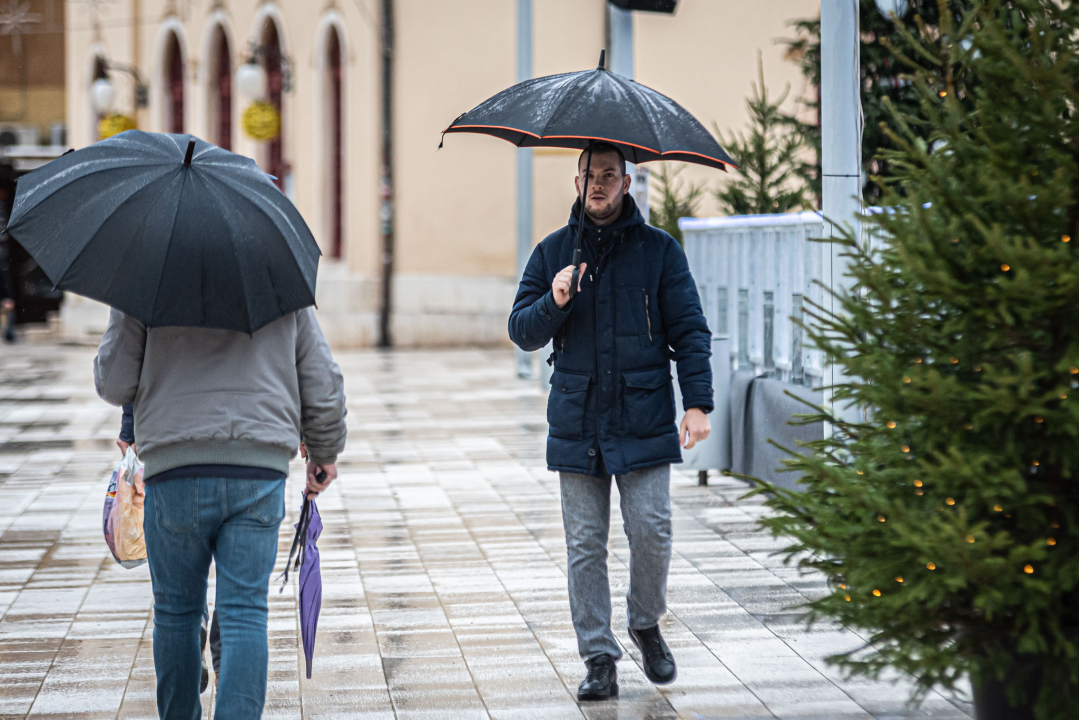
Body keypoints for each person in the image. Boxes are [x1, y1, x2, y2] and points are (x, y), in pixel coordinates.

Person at [508, 143, 713, 701]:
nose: (598, 185)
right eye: (589, 176)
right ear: (576, 184)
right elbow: (521, 329)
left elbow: (690, 330)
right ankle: (599, 657)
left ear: (626, 183)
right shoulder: (553, 252)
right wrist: (555, 300)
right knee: (584, 544)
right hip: (577, 417)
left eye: (608, 176)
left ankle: (645, 622)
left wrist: (697, 403)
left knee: (652, 529)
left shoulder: (659, 252)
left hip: (643, 413)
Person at [95, 307, 347, 719]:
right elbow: (323, 380)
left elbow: (112, 381)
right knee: (245, 612)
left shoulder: (148, 275)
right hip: (257, 467)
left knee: (176, 613)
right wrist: (324, 449)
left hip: (174, 468)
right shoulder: (277, 277)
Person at [117, 404, 220, 694]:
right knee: (241, 596)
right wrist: (310, 433)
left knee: (179, 592)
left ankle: (194, 623)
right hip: (249, 450)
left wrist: (130, 425)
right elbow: (297, 361)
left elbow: (122, 371)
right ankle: (228, 660)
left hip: (173, 451)